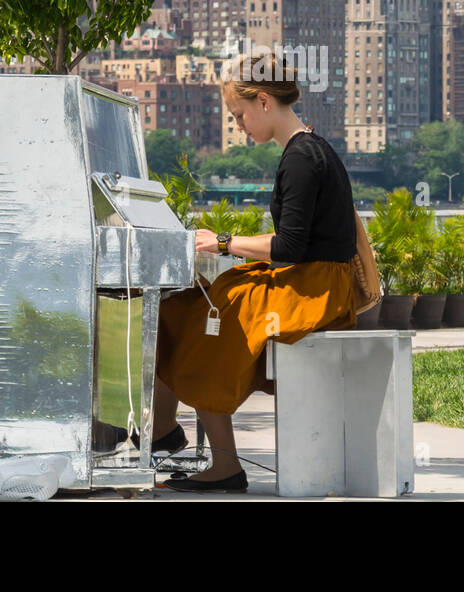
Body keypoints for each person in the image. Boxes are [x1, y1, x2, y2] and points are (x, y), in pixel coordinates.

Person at [148, 54, 358, 493]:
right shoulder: (310, 148)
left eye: (240, 116)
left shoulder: (301, 157)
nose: (239, 126)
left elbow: (288, 247)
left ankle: (215, 461)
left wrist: (221, 242)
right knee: (191, 305)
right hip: (317, 282)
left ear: (264, 101)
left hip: (314, 291)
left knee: (202, 316)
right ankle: (168, 433)